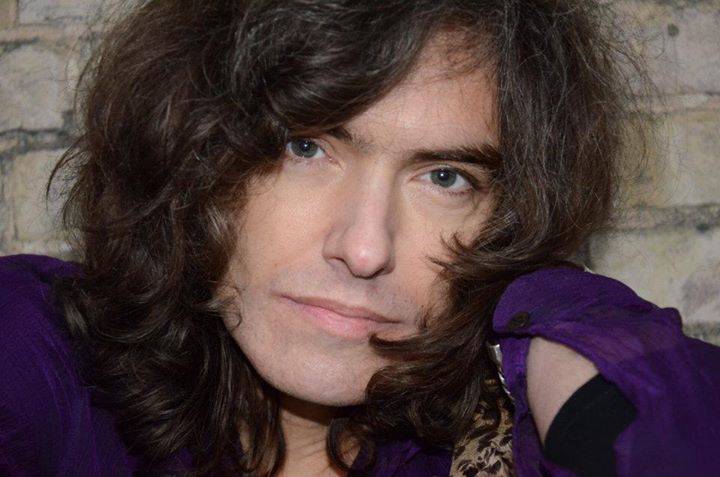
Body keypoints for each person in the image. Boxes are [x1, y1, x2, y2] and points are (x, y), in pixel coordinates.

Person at [1, 1, 719, 476]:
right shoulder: (46, 358)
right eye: (304, 147)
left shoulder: (491, 446)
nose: (365, 249)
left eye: (445, 178)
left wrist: (559, 317)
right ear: (191, 154)